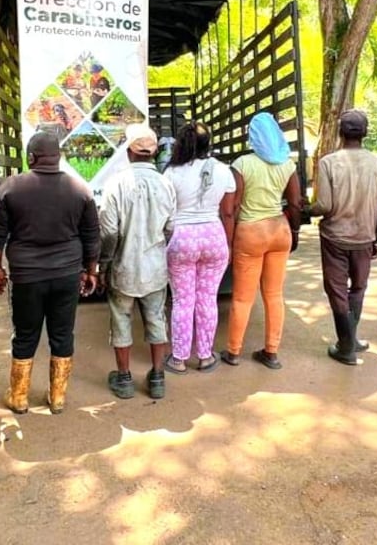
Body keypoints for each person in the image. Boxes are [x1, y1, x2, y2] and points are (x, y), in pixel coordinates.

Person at [0, 131, 100, 414]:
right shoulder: (80, 189)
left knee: (25, 335)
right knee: (62, 334)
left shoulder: (11, 188)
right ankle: (58, 398)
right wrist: (91, 271)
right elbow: (91, 236)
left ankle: (20, 397)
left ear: (31, 157)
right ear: (58, 157)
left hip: (27, 277)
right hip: (66, 275)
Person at [99, 124, 177, 399]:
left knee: (121, 319)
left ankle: (124, 379)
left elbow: (108, 231)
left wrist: (104, 263)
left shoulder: (116, 184)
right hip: (155, 267)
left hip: (124, 267)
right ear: (153, 153)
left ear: (129, 152)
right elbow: (170, 227)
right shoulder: (166, 183)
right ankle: (157, 378)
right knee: (156, 320)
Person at [223, 111, 302, 370]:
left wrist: (230, 241)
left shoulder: (242, 164)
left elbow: (232, 207)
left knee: (243, 298)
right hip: (279, 231)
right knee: (274, 295)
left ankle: (233, 351)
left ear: (253, 136)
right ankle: (271, 352)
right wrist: (295, 230)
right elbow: (296, 202)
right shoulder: (287, 165)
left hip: (250, 232)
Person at [310, 110, 377, 366]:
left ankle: (346, 347)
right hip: (364, 237)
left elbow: (323, 205)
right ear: (365, 133)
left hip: (335, 237)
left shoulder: (328, 162)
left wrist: (304, 209)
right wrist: (376, 235)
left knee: (337, 290)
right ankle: (351, 340)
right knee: (358, 288)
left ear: (340, 131)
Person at [162, 122, 236, 373]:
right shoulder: (224, 170)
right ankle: (205, 355)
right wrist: (228, 245)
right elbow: (228, 213)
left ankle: (179, 358)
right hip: (214, 237)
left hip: (182, 237)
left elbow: (166, 212)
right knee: (207, 299)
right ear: (208, 144)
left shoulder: (171, 173)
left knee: (183, 300)